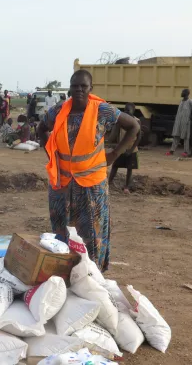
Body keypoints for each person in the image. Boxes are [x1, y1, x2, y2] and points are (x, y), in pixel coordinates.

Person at [37, 69, 139, 272]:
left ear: (91, 88)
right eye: (75, 86)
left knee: (92, 231)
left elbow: (134, 126)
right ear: (69, 88)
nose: (79, 90)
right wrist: (51, 154)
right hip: (62, 184)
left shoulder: (102, 110)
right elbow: (41, 128)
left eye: (84, 86)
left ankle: (92, 274)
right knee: (62, 230)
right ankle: (64, 272)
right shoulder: (58, 111)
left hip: (92, 185)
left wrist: (114, 154)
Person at [109, 103, 142, 194]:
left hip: (131, 150)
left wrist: (131, 150)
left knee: (129, 168)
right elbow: (116, 134)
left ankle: (127, 186)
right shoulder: (121, 121)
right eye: (125, 110)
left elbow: (138, 137)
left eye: (128, 110)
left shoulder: (137, 121)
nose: (126, 112)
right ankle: (108, 183)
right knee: (115, 166)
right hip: (121, 149)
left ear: (133, 111)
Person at [167, 89, 192, 157]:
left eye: (183, 92)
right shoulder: (181, 101)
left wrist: (190, 119)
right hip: (178, 122)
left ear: (187, 93)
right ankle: (172, 150)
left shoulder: (190, 101)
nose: (181, 93)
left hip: (186, 122)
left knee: (186, 137)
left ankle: (186, 152)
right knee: (176, 135)